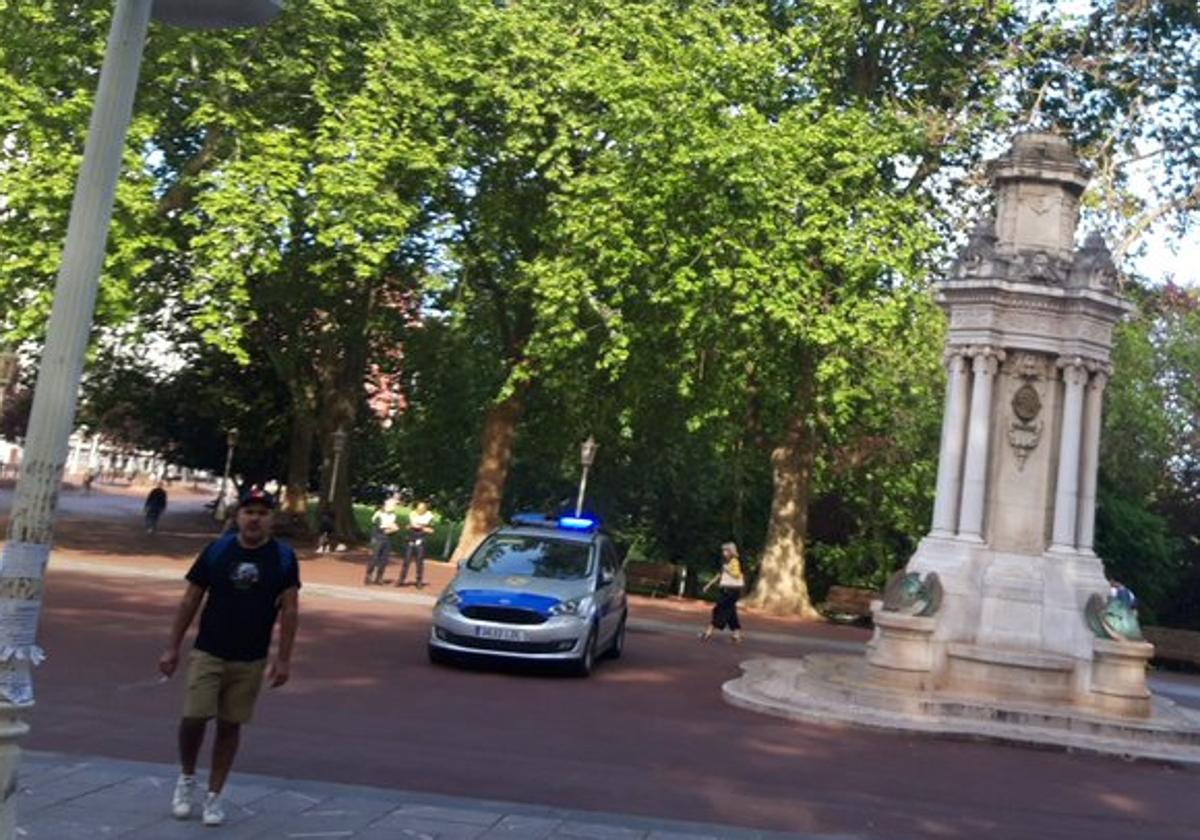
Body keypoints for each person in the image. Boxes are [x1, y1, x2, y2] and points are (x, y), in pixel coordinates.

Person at [157, 488, 300, 827]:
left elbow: (291, 610)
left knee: (230, 725)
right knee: (193, 717)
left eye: (263, 513)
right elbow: (191, 599)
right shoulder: (218, 551)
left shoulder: (282, 558)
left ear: (272, 520)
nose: (255, 518)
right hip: (209, 650)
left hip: (250, 657)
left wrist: (284, 659)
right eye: (249, 511)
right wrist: (172, 646)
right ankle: (187, 778)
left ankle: (214, 795)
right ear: (238, 517)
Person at [700, 542, 744, 644]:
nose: (723, 552)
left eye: (726, 550)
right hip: (726, 589)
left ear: (731, 551)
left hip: (732, 591)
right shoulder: (726, 562)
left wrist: (727, 570)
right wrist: (708, 585)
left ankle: (709, 631)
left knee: (719, 609)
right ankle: (736, 635)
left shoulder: (735, 561)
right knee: (731, 613)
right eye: (723, 551)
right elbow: (719, 575)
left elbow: (736, 575)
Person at [398, 500, 434, 588]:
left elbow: (432, 530)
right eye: (418, 509)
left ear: (425, 509)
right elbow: (406, 526)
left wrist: (421, 527)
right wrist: (411, 526)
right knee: (406, 560)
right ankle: (401, 579)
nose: (420, 511)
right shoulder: (412, 514)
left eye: (422, 509)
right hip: (411, 539)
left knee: (419, 561)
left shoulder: (429, 517)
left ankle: (419, 581)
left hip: (421, 540)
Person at [365, 497, 399, 585]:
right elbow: (380, 528)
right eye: (393, 505)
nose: (394, 507)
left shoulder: (393, 516)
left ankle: (379, 577)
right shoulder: (379, 514)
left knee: (384, 559)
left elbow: (394, 527)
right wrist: (392, 528)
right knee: (374, 558)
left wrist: (392, 529)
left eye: (394, 505)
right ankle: (369, 575)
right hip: (378, 538)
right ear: (387, 505)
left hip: (387, 539)